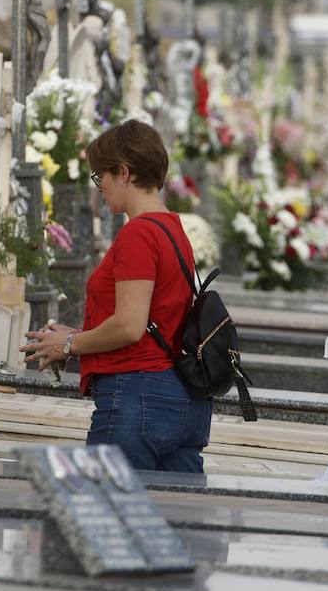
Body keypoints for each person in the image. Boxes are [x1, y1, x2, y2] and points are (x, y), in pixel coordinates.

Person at [20, 120, 211, 473]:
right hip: (181, 401)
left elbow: (129, 326)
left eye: (100, 177)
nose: (99, 188)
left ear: (123, 172)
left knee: (108, 520)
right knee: (179, 522)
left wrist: (70, 344)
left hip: (137, 400)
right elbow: (152, 316)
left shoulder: (138, 233)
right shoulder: (173, 228)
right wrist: (75, 335)